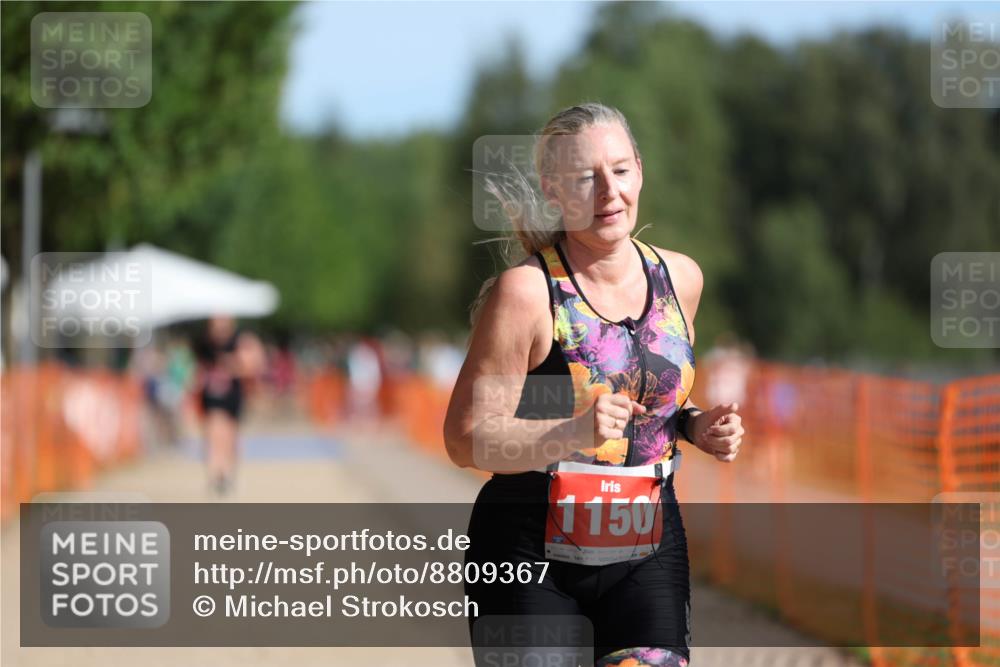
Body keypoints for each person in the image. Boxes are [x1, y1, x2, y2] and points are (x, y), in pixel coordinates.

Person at [443, 103, 745, 667]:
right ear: (553, 190)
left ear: (640, 172)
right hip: (528, 553)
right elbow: (463, 439)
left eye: (620, 170)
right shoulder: (527, 293)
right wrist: (569, 433)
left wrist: (694, 424)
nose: (609, 191)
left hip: (647, 546)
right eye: (586, 177)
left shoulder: (680, 278)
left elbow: (651, 402)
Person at [194, 315, 264, 495]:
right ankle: (217, 474)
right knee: (215, 434)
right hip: (212, 397)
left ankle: (227, 472)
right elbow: (197, 369)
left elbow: (254, 365)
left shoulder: (242, 341)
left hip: (233, 396)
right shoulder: (204, 343)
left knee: (230, 437)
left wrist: (233, 364)